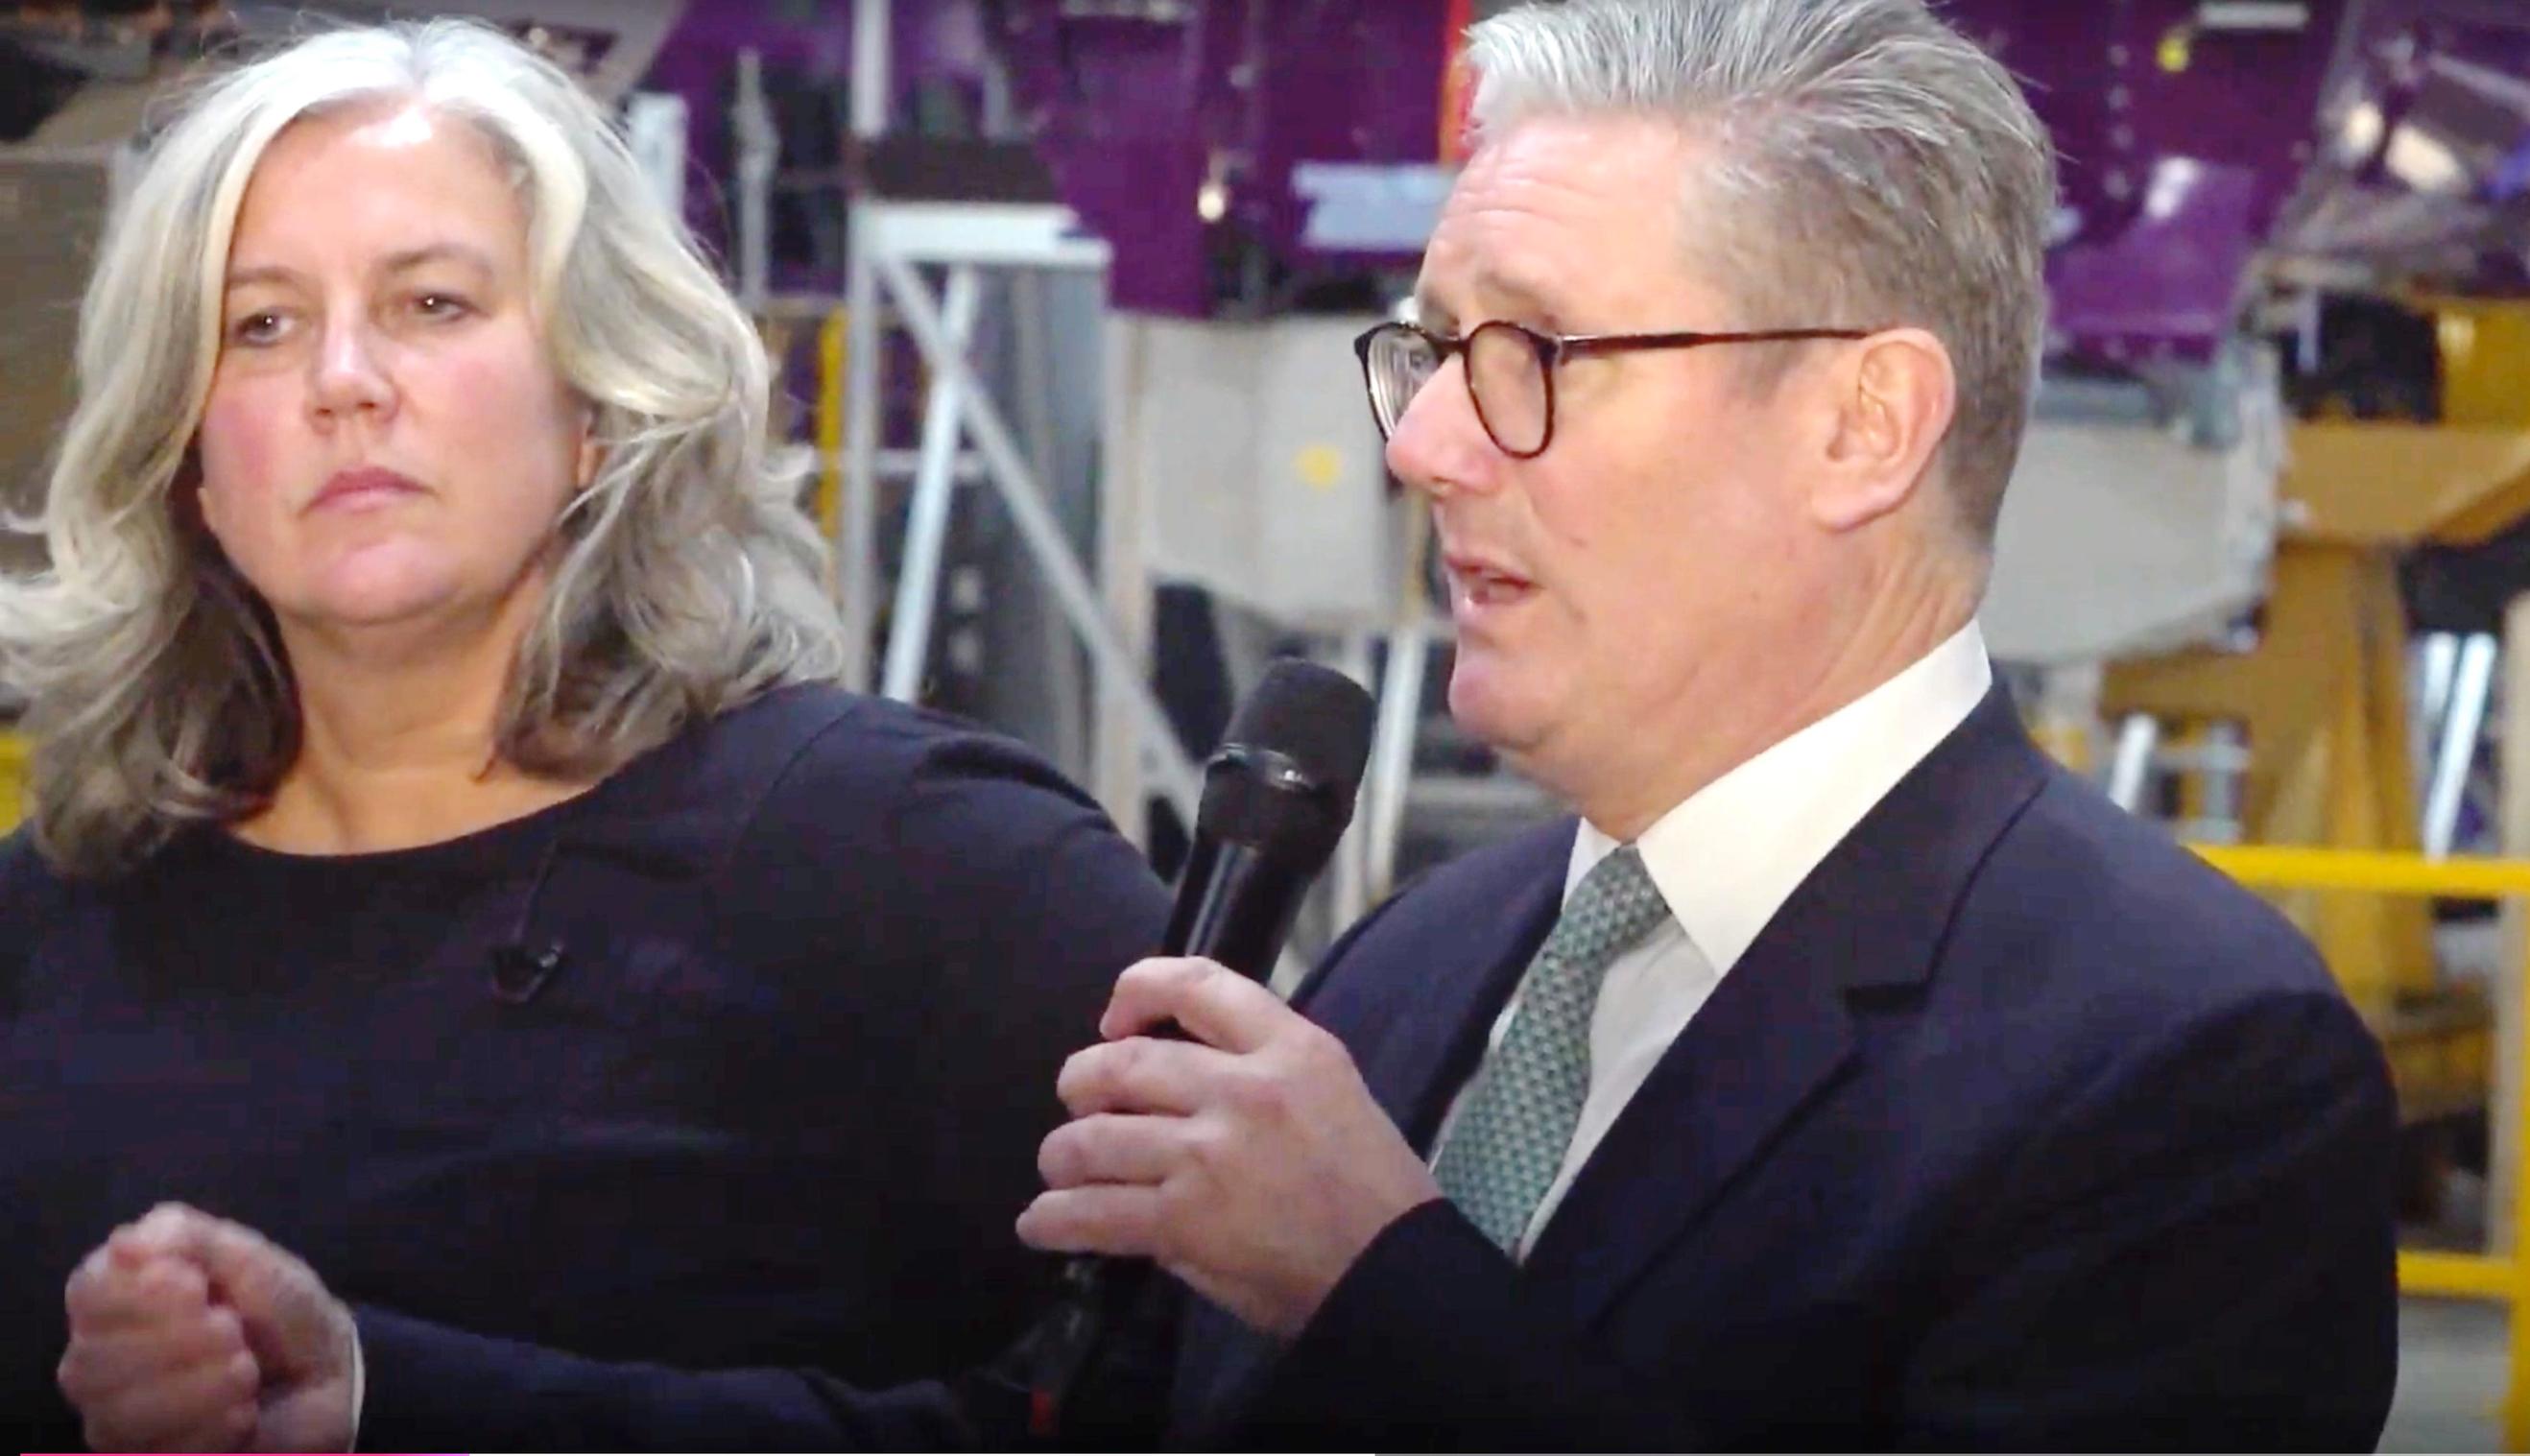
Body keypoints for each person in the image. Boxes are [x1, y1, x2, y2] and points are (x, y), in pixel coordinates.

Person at [1013, 0, 2404, 1447]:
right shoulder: (1405, 969)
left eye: (1538, 348)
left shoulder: (2183, 1073)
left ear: (1862, 425)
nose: (1422, 445)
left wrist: (1378, 1282)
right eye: (1431, 349)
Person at [15, 17, 1168, 1452]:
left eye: (432, 304)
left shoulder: (929, 878)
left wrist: (398, 1399)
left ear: (600, 409)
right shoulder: (55, 922)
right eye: (262, 325)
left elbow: (1175, 1404)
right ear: (189, 464)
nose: (345, 378)